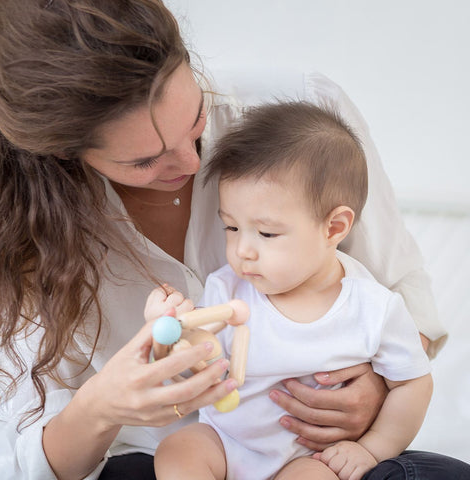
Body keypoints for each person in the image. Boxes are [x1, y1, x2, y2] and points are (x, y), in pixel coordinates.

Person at [0, 0, 464, 479]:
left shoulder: (304, 119)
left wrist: (378, 397)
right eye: (144, 161)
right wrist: (103, 405)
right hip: (151, 456)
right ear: (65, 154)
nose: (195, 165)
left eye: (195, 120)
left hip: (309, 451)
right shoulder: (16, 231)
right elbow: (24, 461)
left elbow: (405, 303)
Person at [152, 101, 434, 480]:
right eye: (231, 228)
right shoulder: (227, 287)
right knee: (178, 450)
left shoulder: (373, 308)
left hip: (304, 458)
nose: (243, 250)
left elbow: (413, 383)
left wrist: (371, 448)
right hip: (225, 440)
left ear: (334, 228)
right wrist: (172, 333)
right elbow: (196, 365)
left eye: (266, 233)